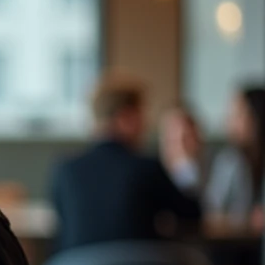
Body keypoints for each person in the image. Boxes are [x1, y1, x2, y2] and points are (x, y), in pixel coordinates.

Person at [51, 76, 202, 252]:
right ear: (125, 117)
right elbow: (192, 213)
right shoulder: (146, 168)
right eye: (141, 115)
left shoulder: (65, 170)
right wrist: (184, 165)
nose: (146, 125)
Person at [205, 87, 265, 228]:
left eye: (238, 114)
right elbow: (211, 211)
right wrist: (246, 219)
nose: (229, 121)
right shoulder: (228, 160)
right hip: (234, 238)